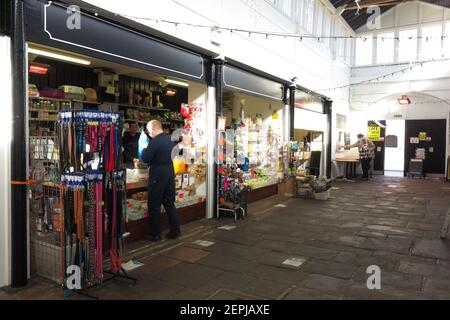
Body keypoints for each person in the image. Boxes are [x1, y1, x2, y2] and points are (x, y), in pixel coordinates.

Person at [141, 120, 181, 241]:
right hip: (170, 171)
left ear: (153, 129)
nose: (148, 133)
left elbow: (146, 158)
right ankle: (175, 230)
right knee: (169, 203)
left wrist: (143, 150)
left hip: (158, 174)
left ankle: (156, 233)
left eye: (148, 131)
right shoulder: (170, 140)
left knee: (154, 204)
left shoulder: (154, 142)